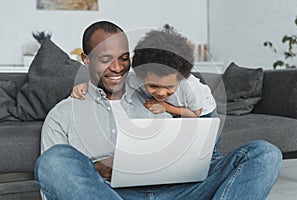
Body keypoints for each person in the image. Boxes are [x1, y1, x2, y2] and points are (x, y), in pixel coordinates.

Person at [35, 21, 282, 200]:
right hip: (112, 194)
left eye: (123, 57)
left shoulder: (148, 90)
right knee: (53, 161)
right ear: (86, 60)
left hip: (178, 190)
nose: (117, 67)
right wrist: (95, 168)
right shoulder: (63, 113)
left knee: (265, 153)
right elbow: (54, 187)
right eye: (105, 58)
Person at [71, 24, 216, 118]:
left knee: (206, 147)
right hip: (176, 110)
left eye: (169, 87)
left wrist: (166, 107)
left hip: (201, 113)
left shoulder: (189, 87)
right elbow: (112, 83)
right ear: (143, 76)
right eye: (153, 86)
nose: (161, 93)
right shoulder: (136, 79)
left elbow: (195, 114)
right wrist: (85, 87)